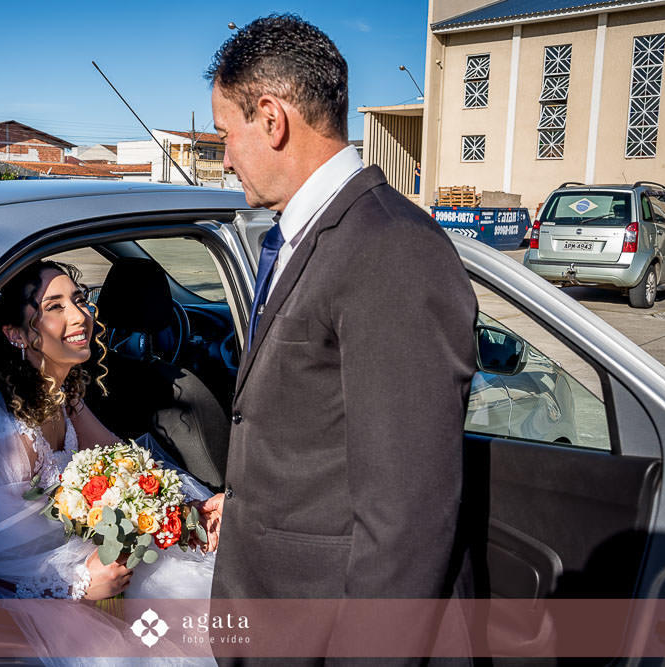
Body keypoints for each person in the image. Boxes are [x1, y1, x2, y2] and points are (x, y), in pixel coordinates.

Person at [200, 14, 481, 663]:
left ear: (271, 119)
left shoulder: (391, 252)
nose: (225, 156)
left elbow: (408, 519)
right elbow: (316, 431)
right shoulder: (302, 235)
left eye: (225, 135)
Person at [0, 260, 216, 662]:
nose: (81, 315)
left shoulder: (64, 396)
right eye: (54, 306)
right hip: (45, 596)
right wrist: (78, 584)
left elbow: (125, 460)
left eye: (79, 300)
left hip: (100, 559)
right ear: (15, 334)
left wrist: (186, 511)